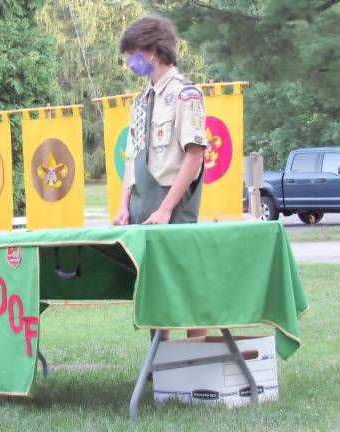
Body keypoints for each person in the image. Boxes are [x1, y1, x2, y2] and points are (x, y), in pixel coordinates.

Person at [113, 16, 207, 340]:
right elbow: (133, 156)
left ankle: (198, 355)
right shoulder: (140, 103)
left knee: (187, 285)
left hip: (173, 204)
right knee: (151, 284)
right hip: (142, 203)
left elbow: (194, 155)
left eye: (134, 53)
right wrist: (124, 204)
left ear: (153, 50)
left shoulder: (186, 95)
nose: (131, 62)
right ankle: (161, 359)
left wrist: (167, 207)